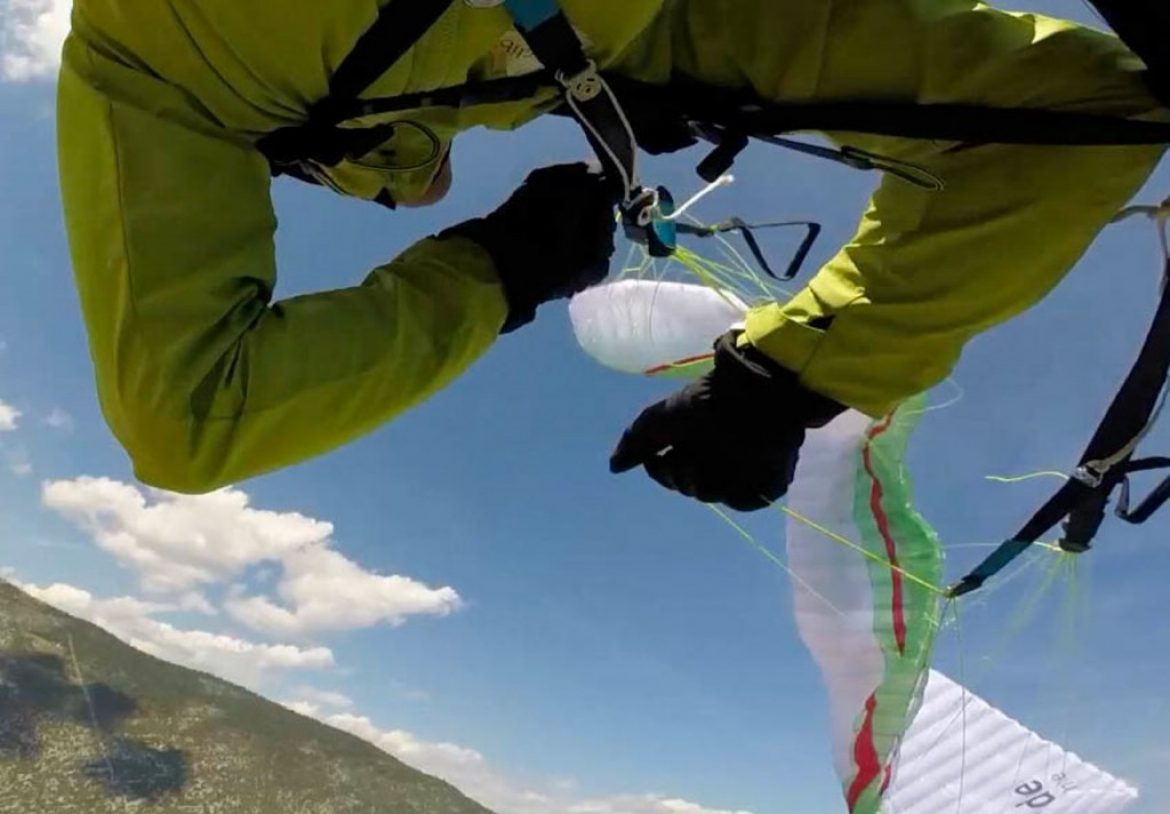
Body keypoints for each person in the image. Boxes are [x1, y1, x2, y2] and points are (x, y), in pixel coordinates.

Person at [57, 0, 1167, 508]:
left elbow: (187, 416)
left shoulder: (146, 66)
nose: (425, 187)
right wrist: (788, 383)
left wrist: (504, 266)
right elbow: (1083, 108)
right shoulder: (635, 38)